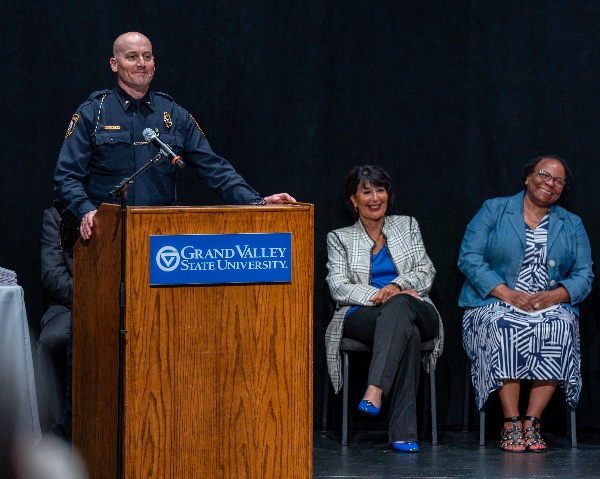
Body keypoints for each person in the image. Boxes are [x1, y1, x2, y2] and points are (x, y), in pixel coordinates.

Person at [54, 31, 295, 241]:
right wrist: (86, 211)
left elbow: (215, 169)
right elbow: (66, 177)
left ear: (154, 64)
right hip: (106, 233)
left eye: (147, 57)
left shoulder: (174, 115)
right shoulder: (94, 112)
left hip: (160, 236)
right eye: (132, 56)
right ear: (114, 64)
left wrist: (257, 202)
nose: (141, 63)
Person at [458, 155, 593, 453]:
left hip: (548, 303)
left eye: (558, 181)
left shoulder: (571, 224)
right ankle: (511, 421)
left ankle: (533, 421)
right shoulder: (495, 209)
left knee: (559, 325)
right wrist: (506, 293)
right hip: (494, 300)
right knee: (503, 323)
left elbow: (585, 275)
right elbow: (469, 256)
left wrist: (556, 296)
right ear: (528, 177)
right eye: (544, 175)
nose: (550, 183)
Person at [325, 164, 443, 452]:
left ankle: (374, 389)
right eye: (366, 192)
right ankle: (404, 434)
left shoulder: (407, 225)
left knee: (402, 306)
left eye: (380, 190)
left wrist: (396, 288)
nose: (375, 198)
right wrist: (380, 294)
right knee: (408, 334)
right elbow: (338, 286)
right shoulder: (339, 237)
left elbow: (425, 271)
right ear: (353, 200)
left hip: (416, 306)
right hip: (362, 314)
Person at [38, 206, 72, 440]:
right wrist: (95, 297)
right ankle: (59, 428)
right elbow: (53, 275)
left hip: (129, 302)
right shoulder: (57, 216)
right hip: (72, 304)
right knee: (53, 339)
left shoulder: (127, 212)